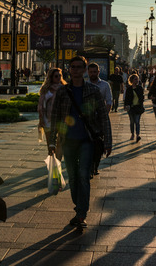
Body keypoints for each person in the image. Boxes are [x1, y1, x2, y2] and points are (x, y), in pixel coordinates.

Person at [49, 56, 112, 232]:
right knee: (74, 177)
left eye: (79, 67)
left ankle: (82, 213)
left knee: (84, 175)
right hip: (68, 141)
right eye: (72, 67)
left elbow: (103, 116)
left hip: (87, 140)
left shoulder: (93, 90)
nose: (75, 70)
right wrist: (52, 142)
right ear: (69, 69)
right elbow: (54, 117)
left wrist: (108, 141)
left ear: (84, 70)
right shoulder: (63, 91)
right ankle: (79, 208)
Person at [88, 62, 112, 176]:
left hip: (100, 118)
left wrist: (104, 116)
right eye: (91, 72)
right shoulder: (85, 84)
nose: (93, 74)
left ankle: (95, 165)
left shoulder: (105, 85)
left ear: (98, 72)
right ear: (88, 72)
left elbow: (109, 101)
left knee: (99, 145)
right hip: (87, 119)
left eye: (95, 72)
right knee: (88, 144)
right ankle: (90, 166)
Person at [38, 67, 66, 160]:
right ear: (51, 77)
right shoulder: (46, 90)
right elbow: (41, 106)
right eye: (56, 76)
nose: (58, 78)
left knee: (60, 143)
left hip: (61, 120)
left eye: (60, 76)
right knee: (51, 145)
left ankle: (57, 163)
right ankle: (52, 162)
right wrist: (41, 119)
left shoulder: (64, 88)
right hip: (48, 120)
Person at [124, 73, 144, 142]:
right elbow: (126, 98)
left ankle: (138, 135)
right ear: (132, 80)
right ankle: (132, 134)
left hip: (138, 108)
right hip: (131, 108)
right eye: (135, 79)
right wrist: (126, 105)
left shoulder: (140, 88)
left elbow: (142, 97)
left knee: (137, 121)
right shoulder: (129, 89)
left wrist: (141, 104)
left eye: (137, 79)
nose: (137, 80)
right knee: (132, 122)